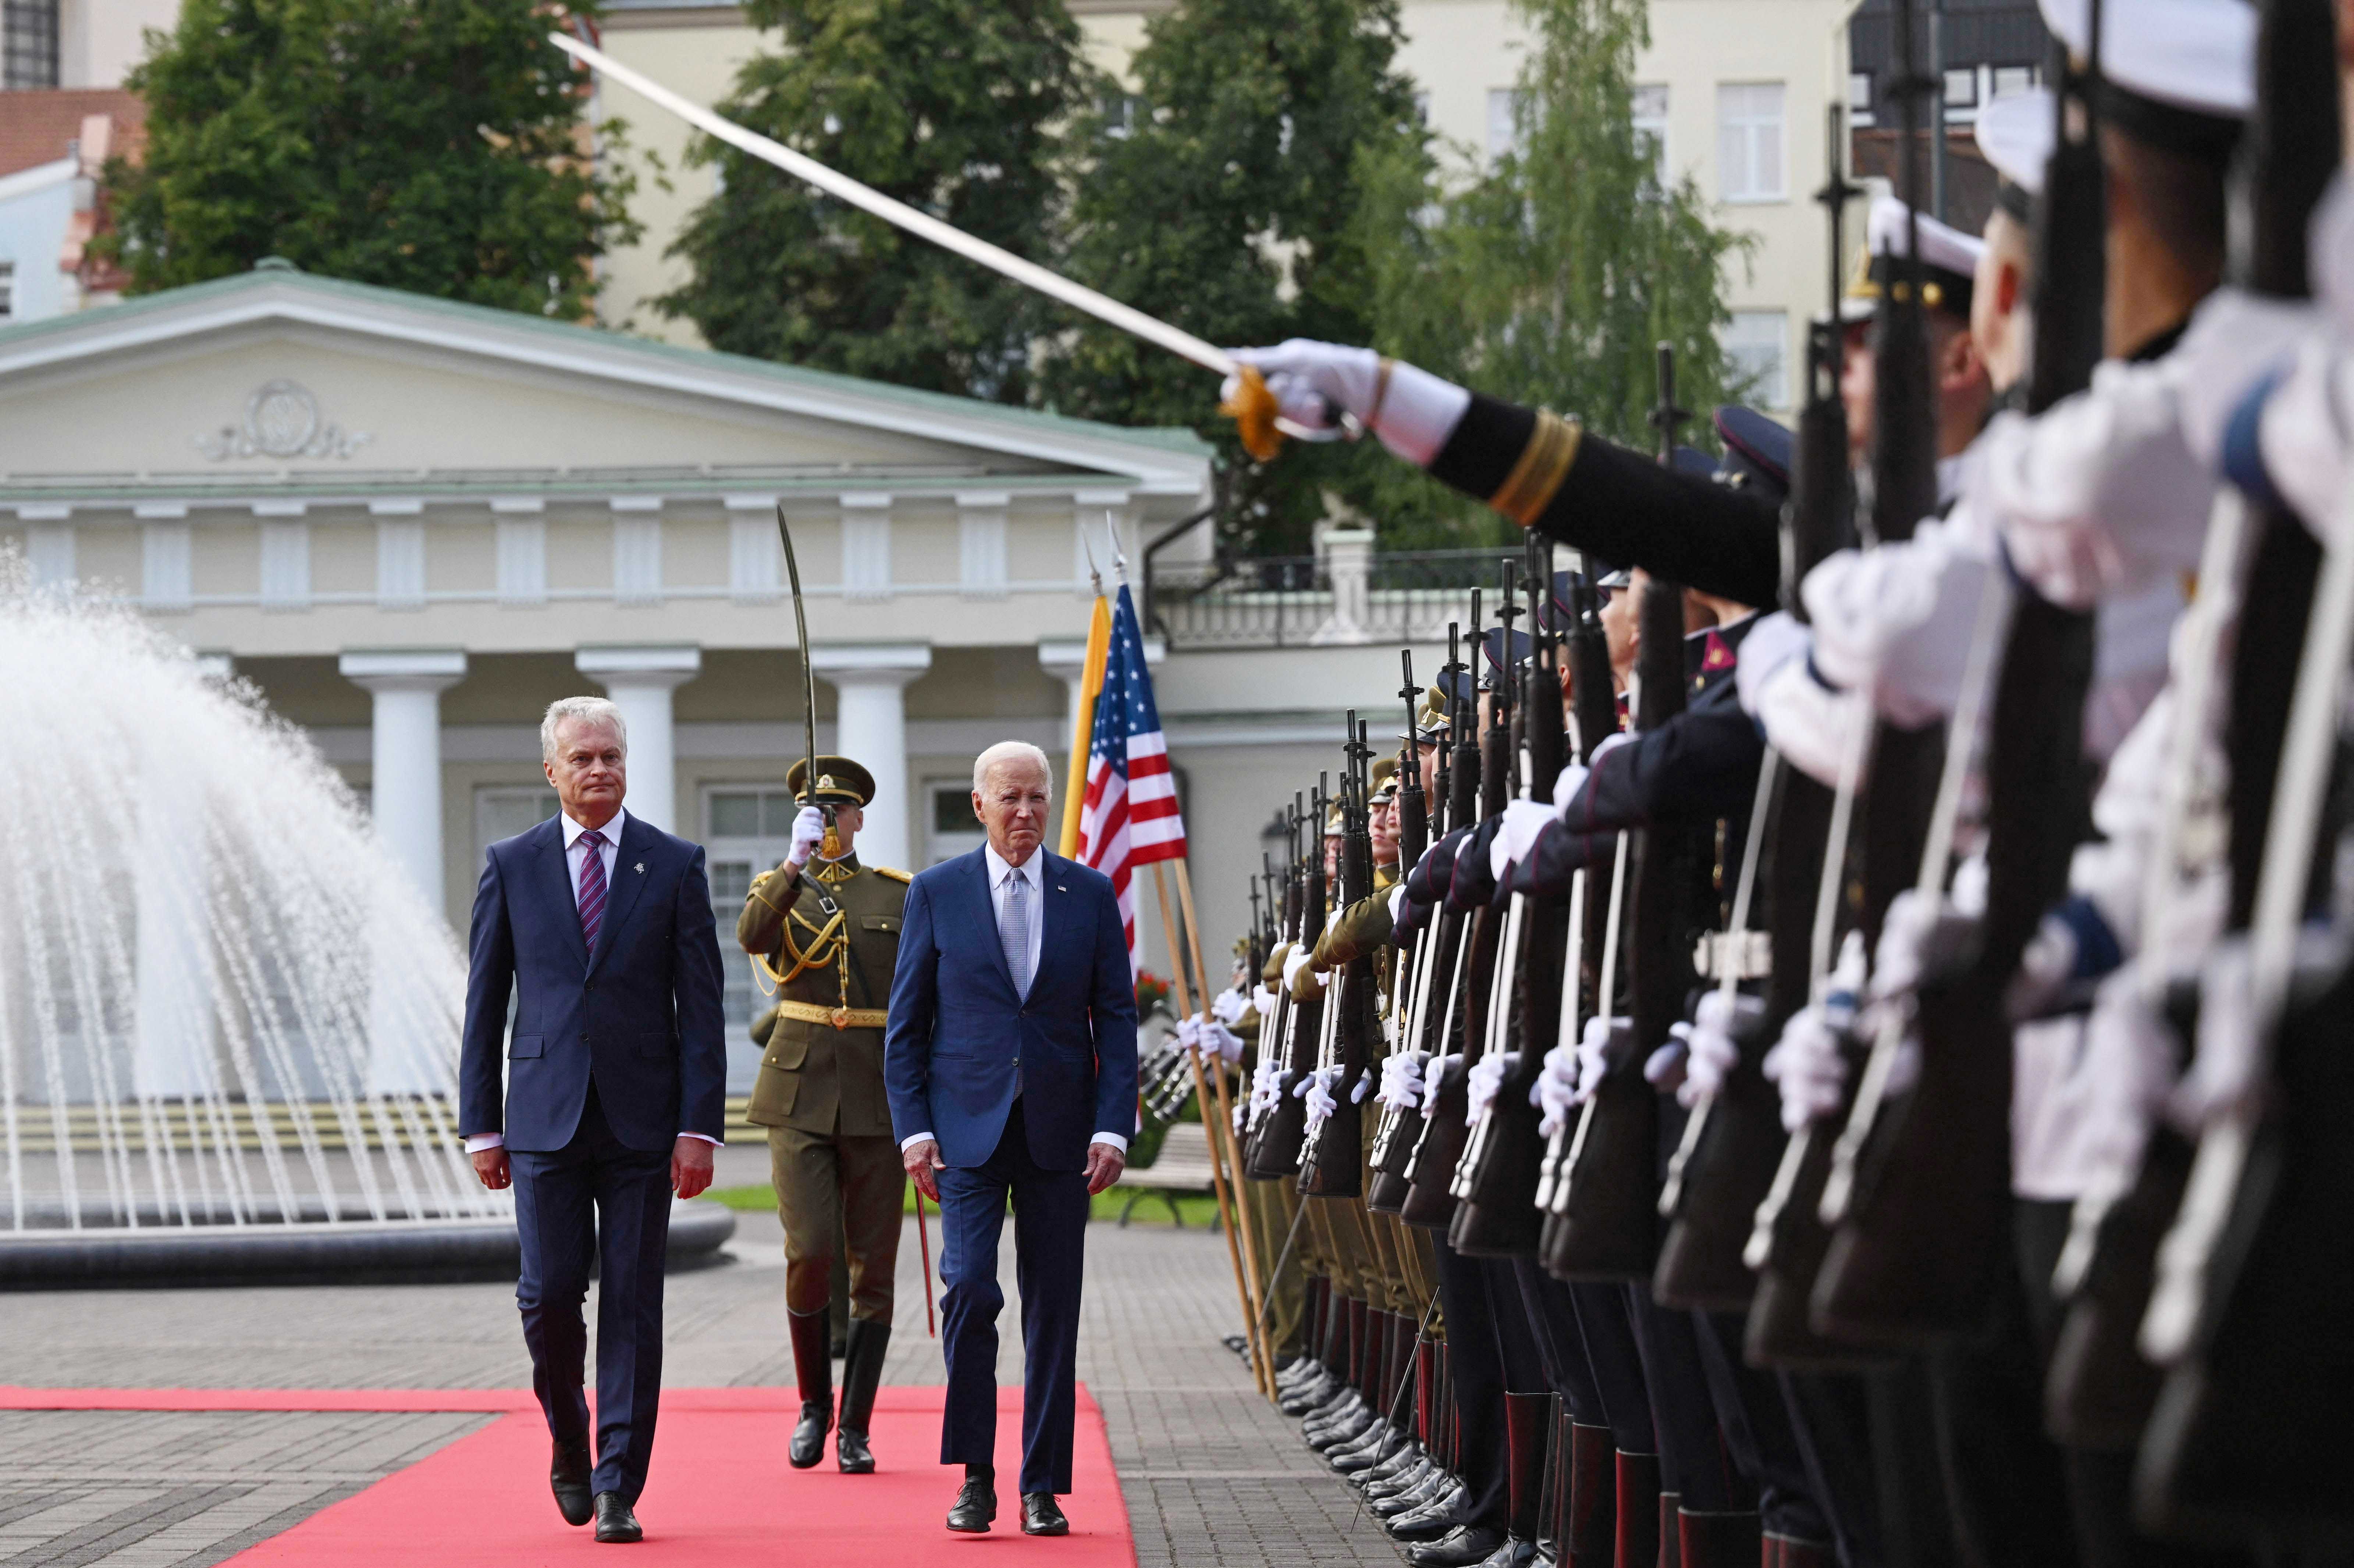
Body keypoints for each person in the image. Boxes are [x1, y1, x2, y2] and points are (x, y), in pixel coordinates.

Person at [459, 696, 726, 1546]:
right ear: (552, 770)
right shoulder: (512, 863)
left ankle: (617, 1481)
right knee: (545, 1297)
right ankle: (570, 1438)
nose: (599, 769)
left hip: (645, 1125)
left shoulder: (674, 863)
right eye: (582, 758)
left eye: (610, 755)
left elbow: (702, 1007)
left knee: (633, 1305)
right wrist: (481, 1124)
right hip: (540, 1120)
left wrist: (699, 1125)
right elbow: (484, 1003)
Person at [884, 739, 1140, 1537]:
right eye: (1009, 798)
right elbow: (905, 1026)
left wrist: (1112, 1123)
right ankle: (974, 1474)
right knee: (967, 1292)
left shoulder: (1088, 892)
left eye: (1035, 796)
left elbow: (1119, 1019)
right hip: (963, 1131)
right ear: (978, 804)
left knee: (1052, 1309)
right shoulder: (936, 892)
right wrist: (915, 1131)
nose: (1024, 811)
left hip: (1063, 1134)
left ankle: (1041, 1483)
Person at [736, 753, 910, 1475]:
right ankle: (814, 1404)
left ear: (859, 817)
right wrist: (791, 863)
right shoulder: (781, 888)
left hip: (876, 1091)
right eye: (817, 813)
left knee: (873, 1268)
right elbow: (751, 936)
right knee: (809, 1249)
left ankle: (857, 1424)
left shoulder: (899, 893)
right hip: (799, 1089)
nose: (830, 823)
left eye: (838, 813)